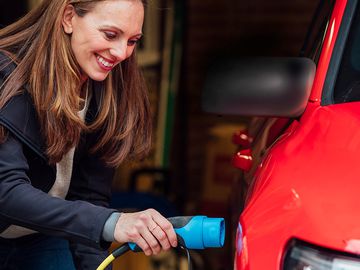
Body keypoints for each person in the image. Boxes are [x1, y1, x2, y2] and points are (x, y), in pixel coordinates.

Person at [0, 0, 178, 269]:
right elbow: (5, 192)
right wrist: (111, 223)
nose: (121, 53)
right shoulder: (7, 73)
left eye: (133, 41)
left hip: (40, 235)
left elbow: (89, 197)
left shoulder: (109, 89)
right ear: (69, 17)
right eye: (110, 35)